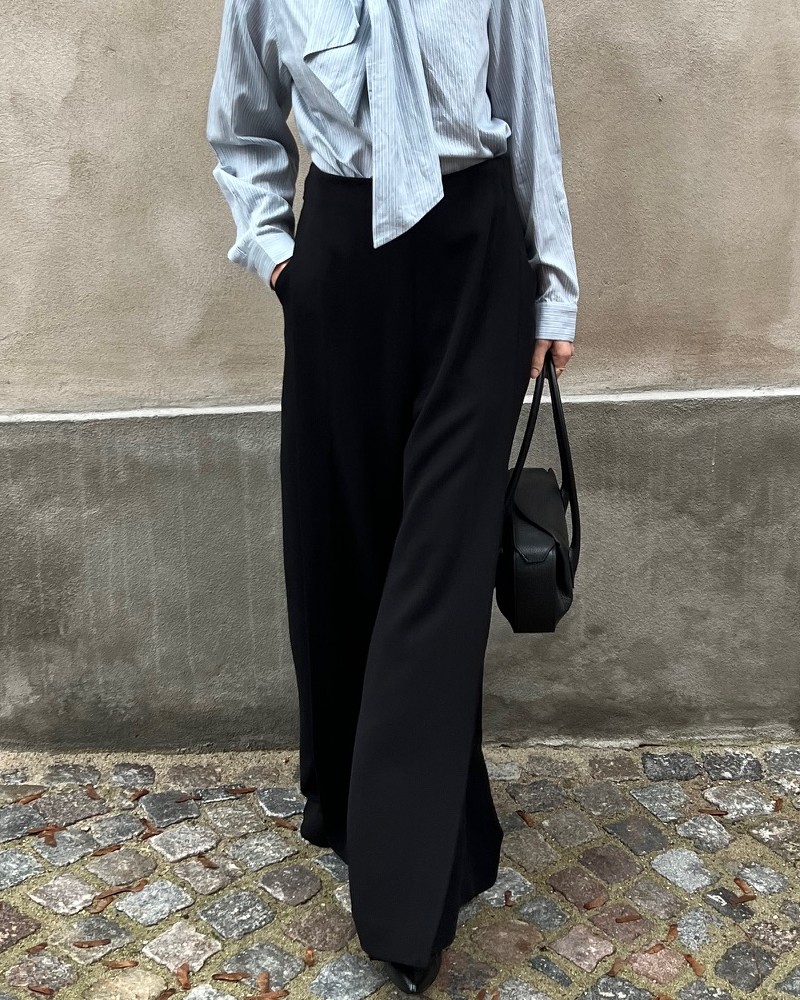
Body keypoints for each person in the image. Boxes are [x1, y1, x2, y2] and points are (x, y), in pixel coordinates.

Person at [206, 0, 579, 992]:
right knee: (344, 551)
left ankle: (407, 898)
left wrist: (554, 285)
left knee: (437, 570)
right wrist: (277, 254)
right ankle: (371, 804)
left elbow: (529, 105)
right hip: (341, 261)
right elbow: (242, 125)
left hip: (474, 259)